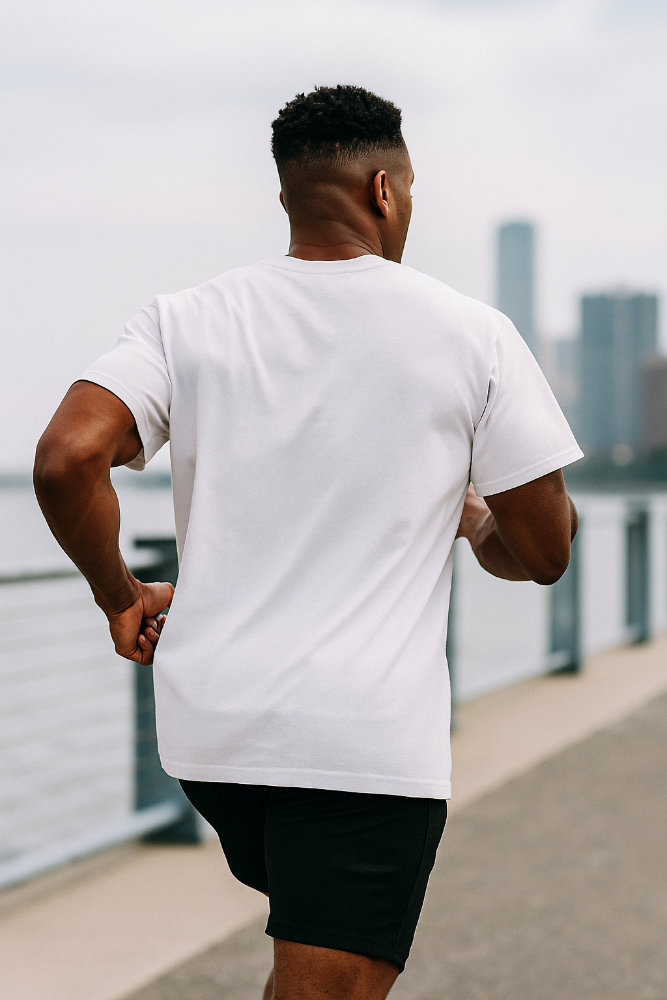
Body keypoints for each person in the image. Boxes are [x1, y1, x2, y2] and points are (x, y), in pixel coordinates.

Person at [34, 85, 582, 1000]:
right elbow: (544, 552)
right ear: (383, 190)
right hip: (357, 743)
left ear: (286, 195)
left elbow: (65, 459)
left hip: (212, 741)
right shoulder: (473, 334)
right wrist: (478, 518)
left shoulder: (185, 318)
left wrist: (117, 594)